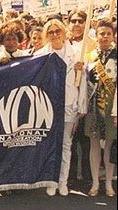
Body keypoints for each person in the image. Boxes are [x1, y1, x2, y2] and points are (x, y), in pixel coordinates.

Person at [34, 19, 87, 197]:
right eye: (50, 32)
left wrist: (81, 105)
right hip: (48, 106)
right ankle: (51, 181)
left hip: (69, 105)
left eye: (58, 31)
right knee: (49, 144)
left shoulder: (78, 53)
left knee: (65, 145)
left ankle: (62, 182)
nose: (55, 34)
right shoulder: (41, 54)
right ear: (46, 35)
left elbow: (83, 84)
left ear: (64, 32)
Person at [83, 20, 117, 197]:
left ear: (112, 36)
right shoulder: (89, 56)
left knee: (109, 146)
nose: (104, 37)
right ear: (96, 36)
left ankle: (109, 183)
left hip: (112, 108)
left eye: (108, 34)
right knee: (94, 145)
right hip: (93, 106)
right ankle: (96, 183)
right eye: (101, 33)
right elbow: (85, 84)